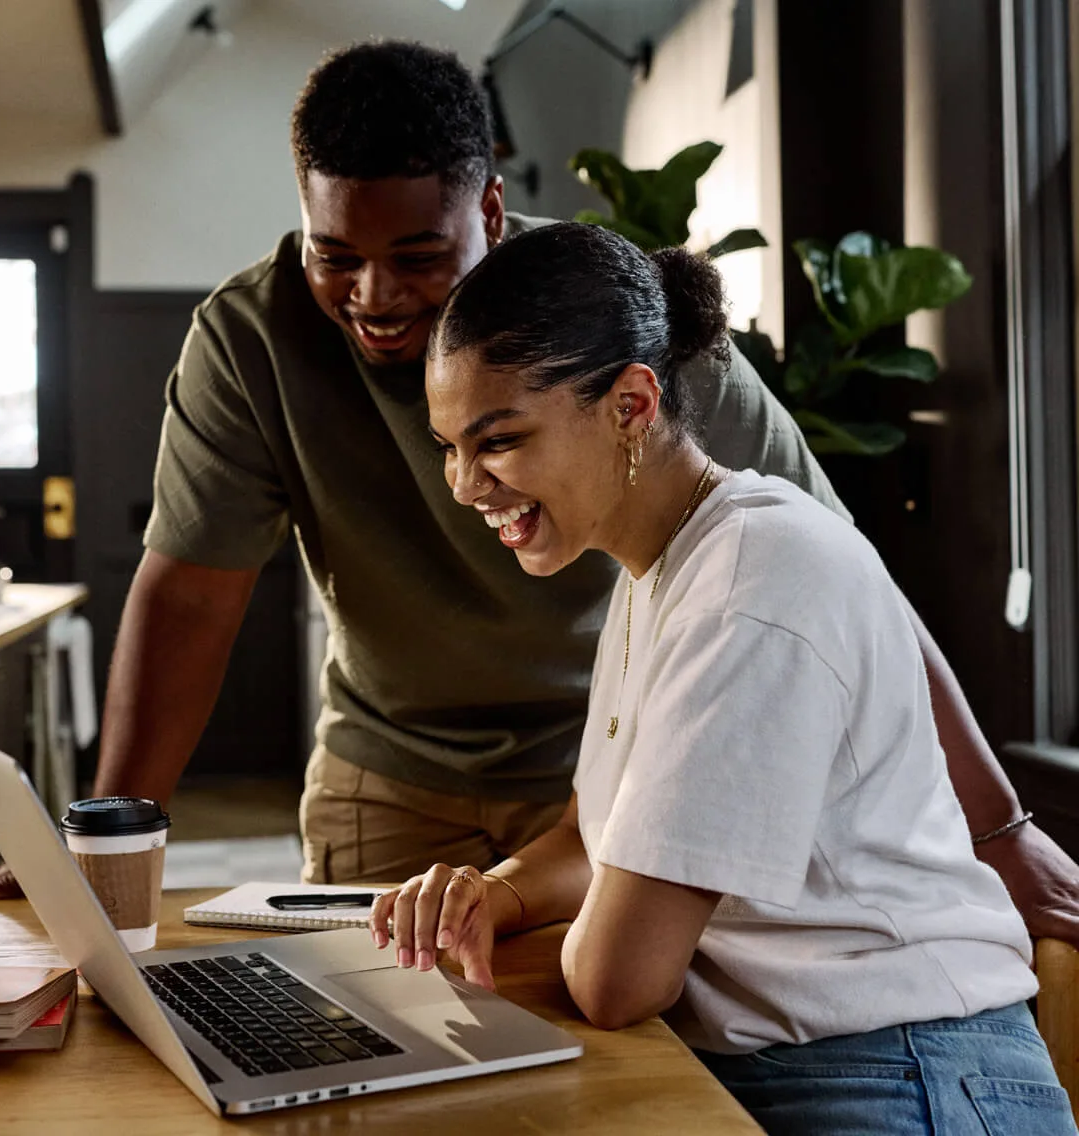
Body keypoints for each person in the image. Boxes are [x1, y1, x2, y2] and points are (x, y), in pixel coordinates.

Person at [0, 42, 1079, 953]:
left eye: (416, 253)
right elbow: (190, 600)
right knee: (367, 1049)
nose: (374, 297)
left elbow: (849, 590)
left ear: (490, 208)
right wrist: (107, 837)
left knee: (594, 1072)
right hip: (391, 763)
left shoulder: (613, 322)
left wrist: (999, 828)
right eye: (333, 254)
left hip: (609, 768)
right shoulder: (250, 337)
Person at [375, 222, 1077, 1135]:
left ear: (631, 406)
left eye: (497, 441)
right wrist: (494, 892)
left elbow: (620, 978)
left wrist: (600, 923)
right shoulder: (662, 568)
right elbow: (599, 839)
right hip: (792, 1062)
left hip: (900, 1075)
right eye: (449, 447)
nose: (465, 485)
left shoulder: (751, 580)